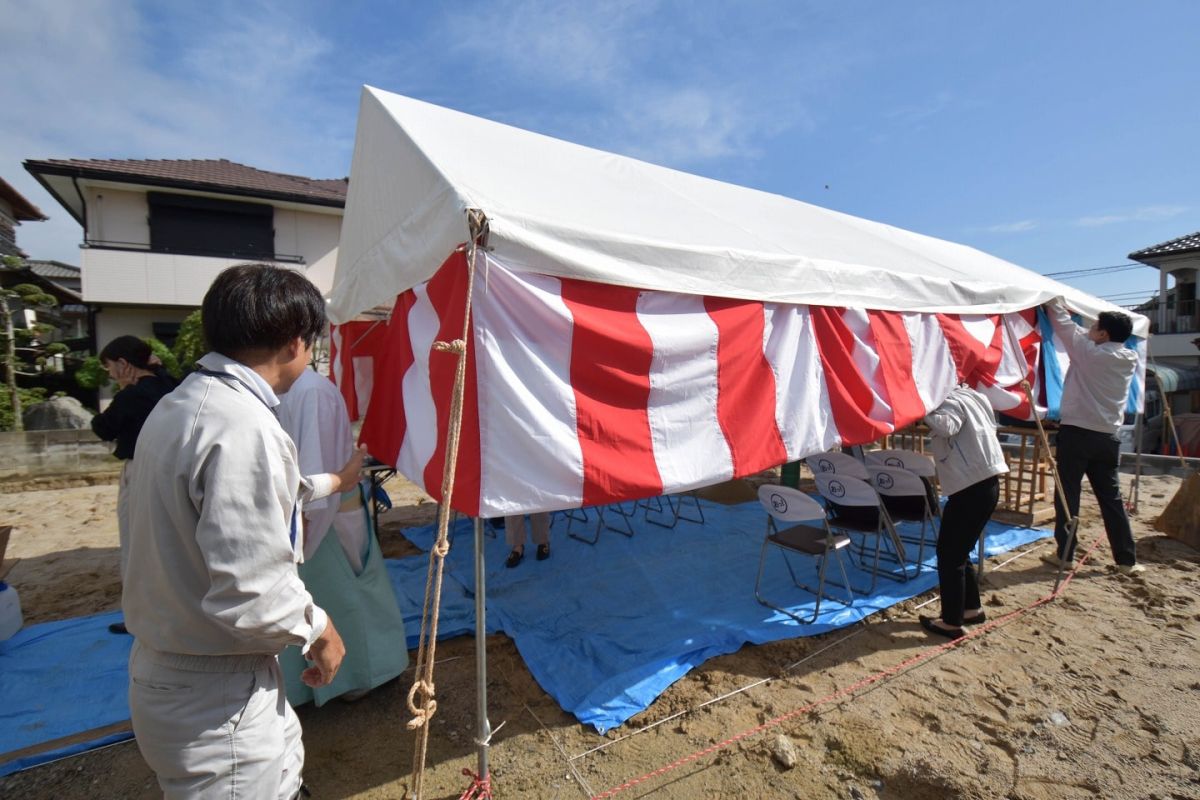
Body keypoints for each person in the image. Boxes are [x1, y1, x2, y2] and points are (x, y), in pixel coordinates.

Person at [122, 264, 362, 799]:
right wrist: (319, 629)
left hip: (181, 669)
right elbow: (252, 587)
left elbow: (246, 497)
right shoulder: (242, 427)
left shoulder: (182, 406)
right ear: (297, 341)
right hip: (214, 692)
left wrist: (335, 480)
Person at [277, 366, 409, 706]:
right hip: (305, 512)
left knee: (349, 594)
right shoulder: (283, 387)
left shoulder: (311, 391)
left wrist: (303, 529)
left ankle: (362, 674)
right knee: (326, 595)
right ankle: (326, 678)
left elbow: (314, 471)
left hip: (327, 510)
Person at [1044, 302, 1142, 574]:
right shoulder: (1128, 357)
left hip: (1077, 434)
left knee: (1068, 496)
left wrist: (1055, 304)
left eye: (1096, 327)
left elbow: (1064, 327)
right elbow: (1077, 333)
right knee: (1111, 499)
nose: (1090, 330)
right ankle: (1126, 560)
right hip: (1108, 437)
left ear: (1104, 335)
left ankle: (1065, 555)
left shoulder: (1089, 353)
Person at [90, 336, 177, 634]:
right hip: (173, 469)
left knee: (134, 542)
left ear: (123, 364)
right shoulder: (171, 386)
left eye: (110, 367)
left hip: (140, 469)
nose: (110, 374)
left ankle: (139, 616)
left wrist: (126, 388)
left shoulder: (132, 395)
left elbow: (103, 427)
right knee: (167, 541)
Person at [918, 384, 1009, 640]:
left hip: (970, 486)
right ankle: (971, 609)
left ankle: (951, 622)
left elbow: (947, 426)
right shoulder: (975, 395)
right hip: (985, 482)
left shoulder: (950, 401)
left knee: (949, 555)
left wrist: (920, 407)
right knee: (959, 551)